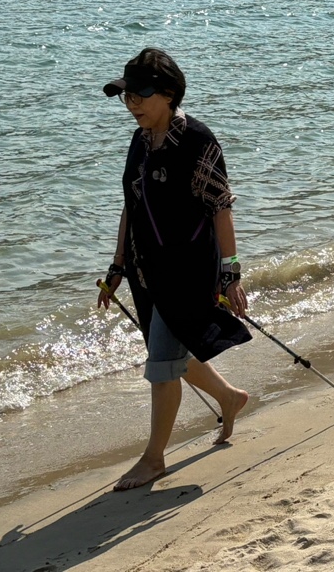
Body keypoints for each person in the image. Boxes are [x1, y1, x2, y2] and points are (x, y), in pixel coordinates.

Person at [99, 48, 251, 491]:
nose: (133, 105)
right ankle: (229, 397)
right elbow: (131, 204)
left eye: (141, 95)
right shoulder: (139, 141)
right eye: (127, 96)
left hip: (187, 268)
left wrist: (231, 272)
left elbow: (221, 208)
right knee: (172, 354)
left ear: (168, 93)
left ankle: (153, 459)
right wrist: (117, 266)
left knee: (162, 362)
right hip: (146, 271)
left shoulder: (198, 141)